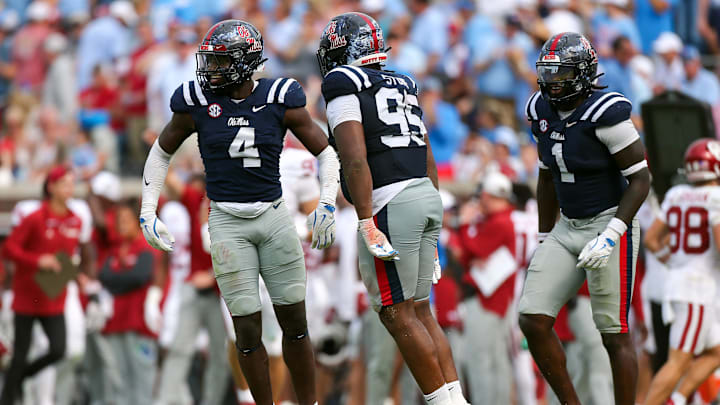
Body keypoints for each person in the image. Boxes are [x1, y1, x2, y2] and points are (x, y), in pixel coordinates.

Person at [139, 20, 339, 405]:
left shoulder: (281, 95)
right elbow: (161, 152)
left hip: (275, 216)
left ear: (243, 62)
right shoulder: (196, 100)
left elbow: (326, 152)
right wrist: (148, 208)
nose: (209, 69)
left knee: (295, 325)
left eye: (219, 61)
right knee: (246, 331)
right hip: (228, 222)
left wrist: (327, 201)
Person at [317, 12, 468, 405]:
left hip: (390, 202)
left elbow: (354, 158)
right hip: (424, 193)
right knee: (420, 311)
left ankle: (441, 402)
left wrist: (366, 220)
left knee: (396, 313)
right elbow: (428, 156)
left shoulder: (342, 82)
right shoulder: (403, 81)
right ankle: (455, 399)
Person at [518, 32, 650, 405]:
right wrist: (545, 238)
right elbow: (546, 176)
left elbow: (641, 180)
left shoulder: (606, 113)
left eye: (560, 75)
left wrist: (611, 234)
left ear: (582, 73)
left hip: (610, 220)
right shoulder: (539, 110)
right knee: (532, 318)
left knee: (613, 332)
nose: (551, 83)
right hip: (567, 226)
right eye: (548, 73)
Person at [642, 139, 720, 405]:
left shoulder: (676, 195)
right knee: (677, 361)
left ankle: (677, 399)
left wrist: (674, 263)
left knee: (717, 351)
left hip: (682, 284)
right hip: (697, 289)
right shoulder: (716, 198)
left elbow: (652, 240)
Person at [0, 166, 86, 404]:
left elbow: (67, 259)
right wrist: (37, 260)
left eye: (72, 184)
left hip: (53, 295)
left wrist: (76, 275)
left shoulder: (75, 220)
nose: (70, 189)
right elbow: (9, 248)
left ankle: (17, 379)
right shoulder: (35, 218)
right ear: (52, 187)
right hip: (27, 295)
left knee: (59, 349)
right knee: (20, 354)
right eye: (65, 184)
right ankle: (9, 395)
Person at [457, 172, 517, 404]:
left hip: (487, 300)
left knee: (481, 361)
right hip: (499, 300)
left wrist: (463, 225)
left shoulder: (500, 221)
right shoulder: (503, 219)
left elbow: (473, 251)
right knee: (496, 360)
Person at [98, 199, 165, 405]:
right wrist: (121, 281)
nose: (121, 224)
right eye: (119, 220)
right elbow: (104, 276)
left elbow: (139, 276)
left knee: (143, 376)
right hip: (116, 322)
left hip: (138, 323)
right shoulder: (117, 248)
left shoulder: (146, 245)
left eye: (126, 219)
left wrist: (117, 282)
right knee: (119, 377)